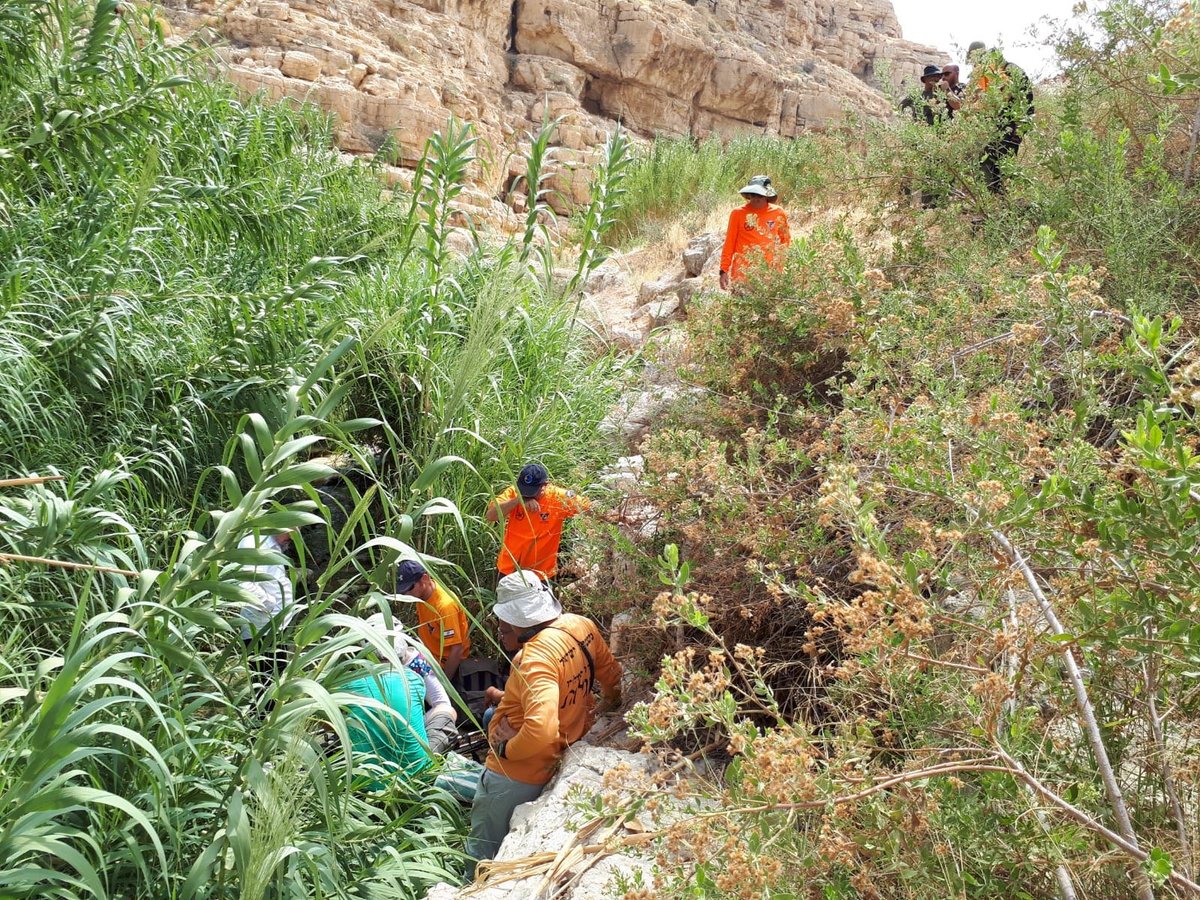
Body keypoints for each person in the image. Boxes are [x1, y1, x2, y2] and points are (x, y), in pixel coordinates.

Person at [465, 570, 622, 878]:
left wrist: (505, 748)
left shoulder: (535, 659)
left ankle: (470, 886)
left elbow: (540, 730)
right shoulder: (581, 626)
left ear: (516, 620)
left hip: (516, 773)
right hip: (560, 749)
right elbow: (612, 676)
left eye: (502, 621)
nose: (500, 629)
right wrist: (607, 706)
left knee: (482, 849)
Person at [365, 610, 459, 753]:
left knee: (446, 710)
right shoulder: (364, 667)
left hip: (415, 725)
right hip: (379, 728)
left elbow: (441, 701)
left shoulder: (416, 663)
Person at [486, 463, 589, 582]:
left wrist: (612, 518)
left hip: (542, 574)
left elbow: (589, 508)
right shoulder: (513, 493)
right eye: (523, 490)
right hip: (509, 568)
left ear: (545, 485)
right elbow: (491, 515)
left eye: (532, 492)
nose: (527, 494)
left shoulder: (559, 497)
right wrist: (518, 500)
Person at [967, 41, 1034, 194]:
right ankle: (997, 205)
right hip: (1002, 126)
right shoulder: (993, 72)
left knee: (999, 165)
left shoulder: (1006, 71)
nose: (974, 65)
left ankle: (1002, 206)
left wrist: (1018, 128)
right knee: (992, 163)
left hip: (1012, 125)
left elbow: (1017, 100)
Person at [394, 559, 471, 680]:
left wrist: (445, 685)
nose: (407, 594)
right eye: (403, 591)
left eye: (410, 588)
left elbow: (457, 650)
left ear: (424, 579)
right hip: (428, 657)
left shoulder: (445, 606)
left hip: (444, 666)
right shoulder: (421, 595)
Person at [718, 175, 791, 291]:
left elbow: (785, 241)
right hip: (741, 276)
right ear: (748, 195)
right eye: (753, 195)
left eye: (760, 195)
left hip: (767, 276)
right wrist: (723, 270)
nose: (756, 198)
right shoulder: (737, 213)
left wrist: (780, 266)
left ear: (767, 195)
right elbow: (729, 243)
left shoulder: (778, 213)